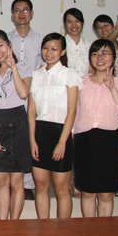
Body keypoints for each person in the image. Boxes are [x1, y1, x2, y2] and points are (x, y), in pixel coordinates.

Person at [74, 39, 118, 217]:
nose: (100, 58)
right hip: (84, 141)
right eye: (95, 54)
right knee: (87, 192)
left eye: (105, 53)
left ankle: (104, 231)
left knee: (106, 194)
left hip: (108, 141)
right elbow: (74, 111)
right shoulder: (81, 82)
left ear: (113, 57)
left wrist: (112, 88)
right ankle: (89, 231)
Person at [28, 33, 81, 219]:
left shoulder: (69, 75)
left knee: (61, 188)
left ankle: (62, 231)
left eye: (54, 49)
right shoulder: (36, 75)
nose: (49, 52)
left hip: (60, 134)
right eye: (45, 48)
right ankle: (44, 228)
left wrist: (62, 142)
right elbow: (31, 111)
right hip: (39, 133)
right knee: (41, 186)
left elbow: (72, 112)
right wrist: (32, 140)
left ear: (63, 51)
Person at [0, 30, 32, 220]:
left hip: (18, 122)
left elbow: (23, 93)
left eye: (1, 46)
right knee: (2, 180)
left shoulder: (24, 68)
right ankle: (3, 223)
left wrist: (14, 68)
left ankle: (14, 223)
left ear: (9, 46)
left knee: (17, 182)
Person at [7, 0, 43, 201]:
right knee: (11, 138)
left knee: (29, 137)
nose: (21, 14)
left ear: (32, 13)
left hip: (32, 96)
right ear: (12, 15)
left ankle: (28, 185)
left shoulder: (40, 41)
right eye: (17, 11)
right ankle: (12, 181)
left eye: (25, 10)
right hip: (10, 96)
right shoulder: (6, 40)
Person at [64, 8, 91, 77]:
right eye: (69, 22)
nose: (74, 25)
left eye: (77, 21)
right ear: (65, 24)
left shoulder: (90, 45)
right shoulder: (61, 45)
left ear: (82, 23)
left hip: (86, 83)